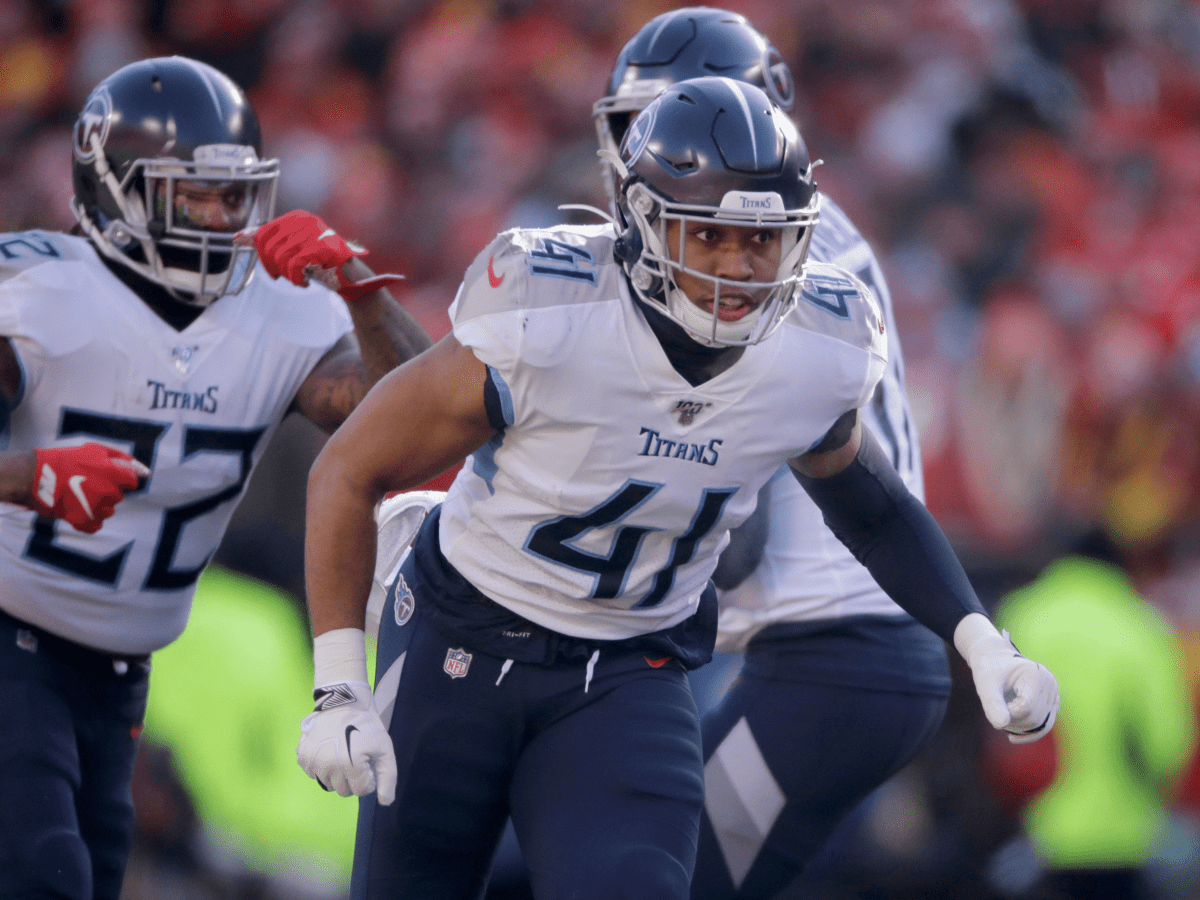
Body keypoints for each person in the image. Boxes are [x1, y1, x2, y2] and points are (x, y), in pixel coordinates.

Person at [298, 75, 1058, 900]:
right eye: (709, 236)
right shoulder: (548, 308)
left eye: (761, 241)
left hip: (629, 669)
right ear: (642, 222)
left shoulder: (817, 342)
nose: (738, 267)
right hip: (460, 639)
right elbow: (349, 468)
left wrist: (982, 642)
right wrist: (338, 680)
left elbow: (871, 510)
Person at [0, 55, 431, 900]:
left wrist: (361, 295)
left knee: (87, 876)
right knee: (41, 873)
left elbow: (414, 422)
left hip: (123, 671)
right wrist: (26, 477)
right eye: (189, 196)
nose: (216, 218)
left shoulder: (282, 310)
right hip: (11, 635)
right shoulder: (37, 293)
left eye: (232, 197)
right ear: (114, 189)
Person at [592, 10, 953, 898]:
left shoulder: (751, 264)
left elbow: (727, 501)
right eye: (643, 130)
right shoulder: (795, 240)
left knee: (664, 884)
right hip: (834, 652)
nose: (667, 151)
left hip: (839, 654)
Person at [989, 533, 1196, 900]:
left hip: (1034, 836)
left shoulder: (1019, 615)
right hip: (1128, 841)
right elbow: (1168, 743)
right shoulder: (1142, 623)